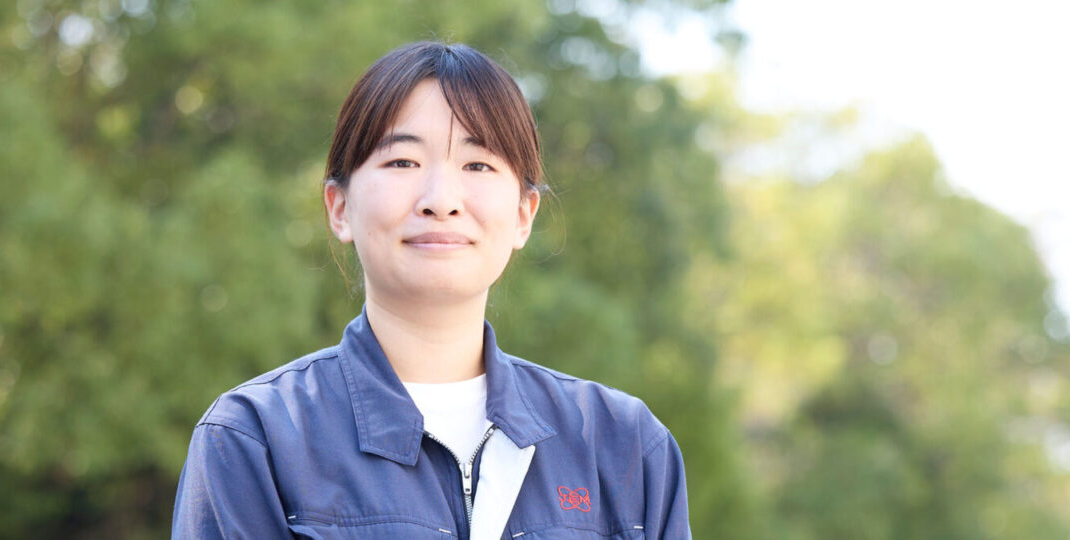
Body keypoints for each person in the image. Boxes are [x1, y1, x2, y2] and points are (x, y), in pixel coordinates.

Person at [171, 42, 691, 539]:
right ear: (339, 207)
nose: (441, 200)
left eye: (478, 164)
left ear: (523, 215)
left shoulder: (624, 446)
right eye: (402, 162)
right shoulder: (255, 439)